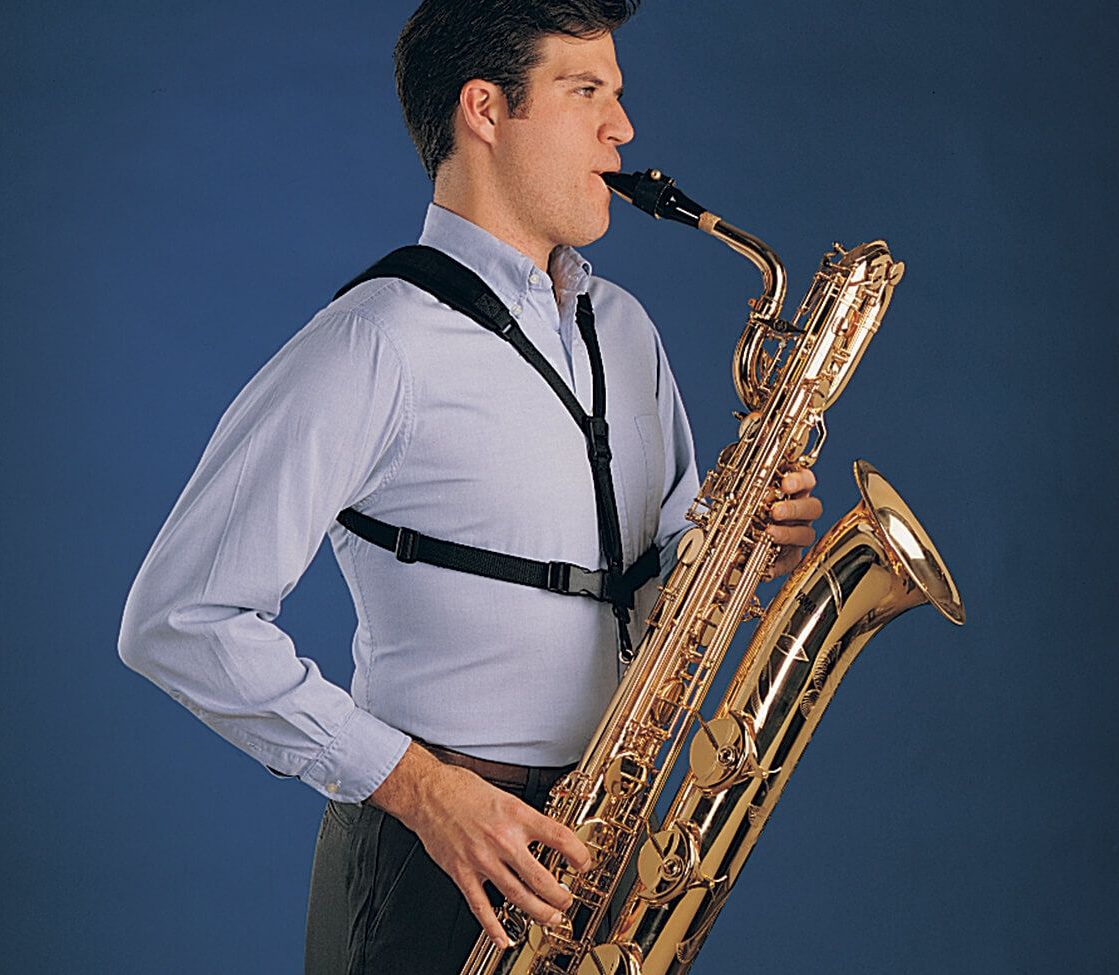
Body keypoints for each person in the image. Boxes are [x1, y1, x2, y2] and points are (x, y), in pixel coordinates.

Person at [117, 2, 823, 972]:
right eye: (586, 92)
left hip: (598, 845)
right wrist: (419, 789)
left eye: (617, 95)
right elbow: (177, 617)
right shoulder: (375, 341)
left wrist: (744, 553)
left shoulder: (626, 331)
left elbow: (661, 593)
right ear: (484, 110)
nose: (623, 128)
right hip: (430, 855)